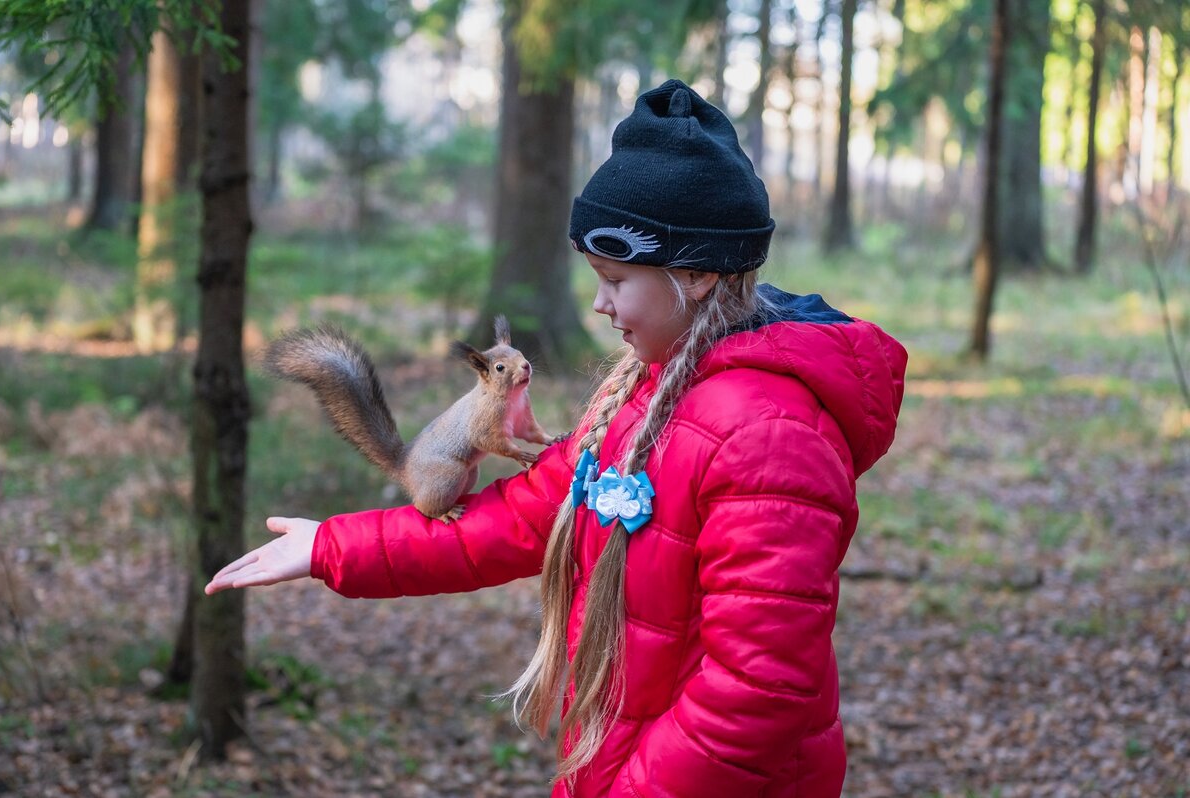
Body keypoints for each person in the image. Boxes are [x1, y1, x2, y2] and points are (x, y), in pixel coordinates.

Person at [206, 79, 907, 797]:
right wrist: (334, 546)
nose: (600, 305)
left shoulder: (767, 434)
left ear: (696, 272)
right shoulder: (643, 394)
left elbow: (758, 690)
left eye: (615, 280)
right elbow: (521, 517)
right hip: (615, 760)